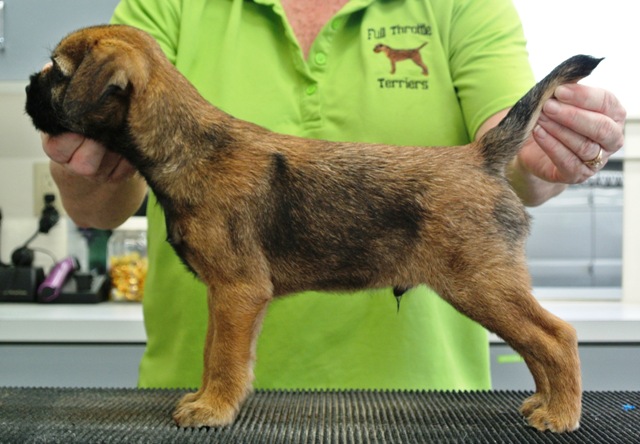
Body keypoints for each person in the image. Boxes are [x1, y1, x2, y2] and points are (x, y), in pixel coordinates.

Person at [42, 0, 626, 390]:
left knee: (514, 317)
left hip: (419, 398)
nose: (47, 83)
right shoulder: (167, 6)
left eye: (60, 73)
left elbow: (511, 152)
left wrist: (550, 147)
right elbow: (97, 209)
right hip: (177, 395)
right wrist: (79, 158)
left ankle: (561, 379)